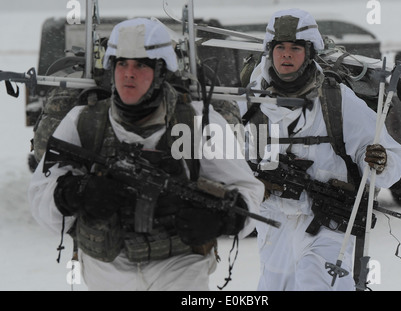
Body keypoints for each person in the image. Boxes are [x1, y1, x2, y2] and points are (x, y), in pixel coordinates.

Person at [27, 17, 264, 291]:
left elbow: (248, 190)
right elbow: (41, 193)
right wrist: (75, 193)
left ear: (161, 71)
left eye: (141, 64)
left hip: (180, 265)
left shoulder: (200, 122)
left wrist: (222, 219)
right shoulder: (84, 121)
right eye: (121, 64)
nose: (129, 73)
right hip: (107, 266)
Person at [239, 9, 401, 291]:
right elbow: (231, 159)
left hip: (326, 223)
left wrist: (379, 162)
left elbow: (390, 155)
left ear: (310, 52)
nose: (287, 55)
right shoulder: (251, 102)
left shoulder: (336, 99)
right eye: (280, 47)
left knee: (317, 283)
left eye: (295, 48)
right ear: (270, 51)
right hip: (273, 224)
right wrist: (255, 183)